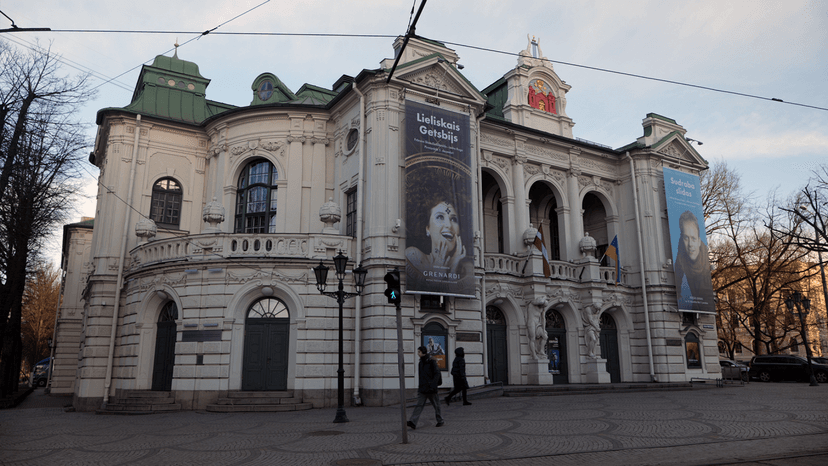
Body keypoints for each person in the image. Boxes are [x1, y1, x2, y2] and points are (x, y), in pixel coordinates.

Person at [405, 199, 474, 294]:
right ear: (428, 228)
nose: (449, 225)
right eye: (440, 217)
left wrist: (453, 269)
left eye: (453, 219)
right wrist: (436, 275)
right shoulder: (414, 256)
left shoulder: (467, 268)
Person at [673, 210, 714, 311]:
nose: (690, 244)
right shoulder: (680, 257)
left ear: (699, 241)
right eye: (686, 238)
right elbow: (677, 284)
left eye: (693, 239)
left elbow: (707, 298)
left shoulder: (705, 263)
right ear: (682, 239)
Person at [407, 346, 444, 429]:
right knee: (419, 405)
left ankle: (440, 420)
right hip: (423, 388)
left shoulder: (431, 361)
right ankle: (413, 422)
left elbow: (437, 373)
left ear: (423, 352)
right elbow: (421, 376)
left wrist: (433, 385)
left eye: (419, 352)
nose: (418, 353)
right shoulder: (420, 363)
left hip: (431, 388)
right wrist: (420, 386)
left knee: (436, 405)